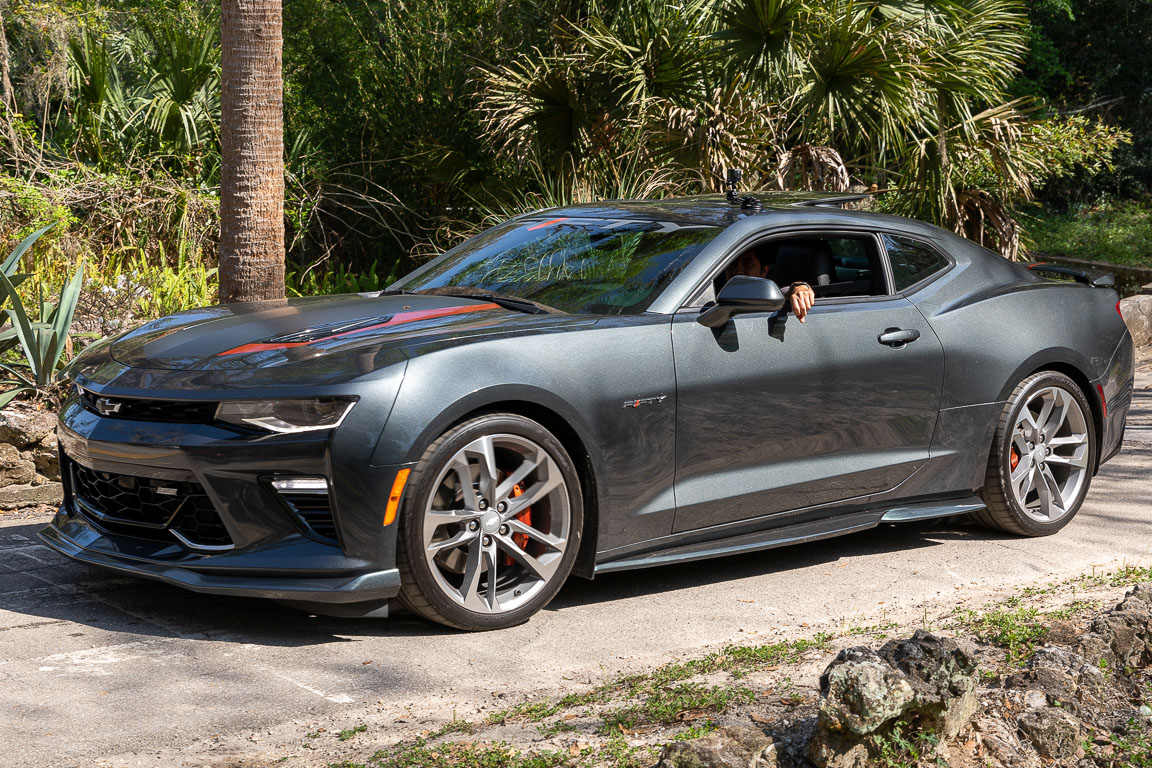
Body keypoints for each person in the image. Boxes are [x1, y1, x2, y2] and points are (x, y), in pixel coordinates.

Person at [722, 249, 816, 322]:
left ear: (764, 271)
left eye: (747, 264)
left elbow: (783, 293)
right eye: (732, 263)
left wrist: (799, 288)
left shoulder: (767, 295)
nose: (738, 270)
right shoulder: (714, 291)